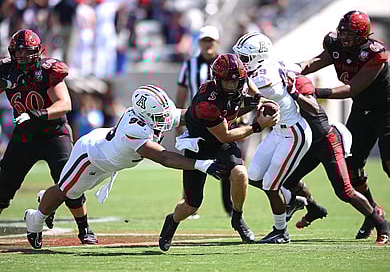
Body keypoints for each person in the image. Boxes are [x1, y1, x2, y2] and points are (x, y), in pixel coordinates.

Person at [24, 85, 228, 249]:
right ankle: (35, 219)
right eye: (160, 116)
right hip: (90, 157)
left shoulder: (150, 115)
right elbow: (163, 157)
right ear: (145, 115)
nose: (165, 120)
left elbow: (186, 115)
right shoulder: (134, 129)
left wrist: (213, 115)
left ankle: (46, 201)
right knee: (65, 192)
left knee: (75, 191)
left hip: (107, 160)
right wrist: (202, 164)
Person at [298, 10, 390, 239]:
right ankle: (374, 214)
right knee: (352, 169)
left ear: (363, 36)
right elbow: (318, 61)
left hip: (387, 108)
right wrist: (294, 69)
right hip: (362, 110)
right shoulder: (336, 44)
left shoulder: (375, 53)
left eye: (350, 34)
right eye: (343, 32)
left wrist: (314, 91)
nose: (345, 38)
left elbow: (352, 89)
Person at [158, 53, 280, 252]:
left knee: (240, 173)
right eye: (228, 82)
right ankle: (172, 221)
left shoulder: (238, 81)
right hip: (200, 145)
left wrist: (259, 97)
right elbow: (225, 135)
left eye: (236, 81)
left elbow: (246, 80)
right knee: (192, 205)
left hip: (220, 142)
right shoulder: (208, 102)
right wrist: (258, 126)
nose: (234, 86)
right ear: (217, 80)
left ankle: (237, 218)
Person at [0, 29, 97, 245]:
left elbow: (65, 104)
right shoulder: (5, 69)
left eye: (28, 52)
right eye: (19, 52)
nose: (23, 56)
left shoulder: (47, 70)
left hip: (53, 133)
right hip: (24, 136)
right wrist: (5, 83)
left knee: (70, 182)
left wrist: (36, 114)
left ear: (38, 52)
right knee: (3, 185)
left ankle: (84, 228)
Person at [281, 75, 390, 245]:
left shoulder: (297, 83)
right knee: (288, 180)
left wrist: (295, 94)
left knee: (345, 191)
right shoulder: (271, 88)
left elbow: (313, 107)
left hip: (327, 141)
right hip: (310, 145)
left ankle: (381, 223)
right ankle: (313, 209)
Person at [233, 32, 314, 244]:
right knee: (255, 175)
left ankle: (281, 232)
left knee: (270, 184)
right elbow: (297, 66)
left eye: (245, 58)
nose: (241, 62)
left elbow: (244, 99)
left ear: (259, 57)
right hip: (278, 131)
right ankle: (291, 200)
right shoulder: (273, 64)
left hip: (293, 133)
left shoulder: (263, 79)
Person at [175, 25, 232, 218]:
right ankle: (189, 202)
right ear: (199, 43)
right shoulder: (189, 65)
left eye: (211, 41)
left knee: (228, 161)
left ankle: (230, 207)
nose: (208, 44)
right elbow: (181, 93)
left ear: (216, 43)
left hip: (224, 120)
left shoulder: (227, 65)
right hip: (196, 122)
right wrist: (178, 120)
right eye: (205, 40)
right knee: (192, 159)